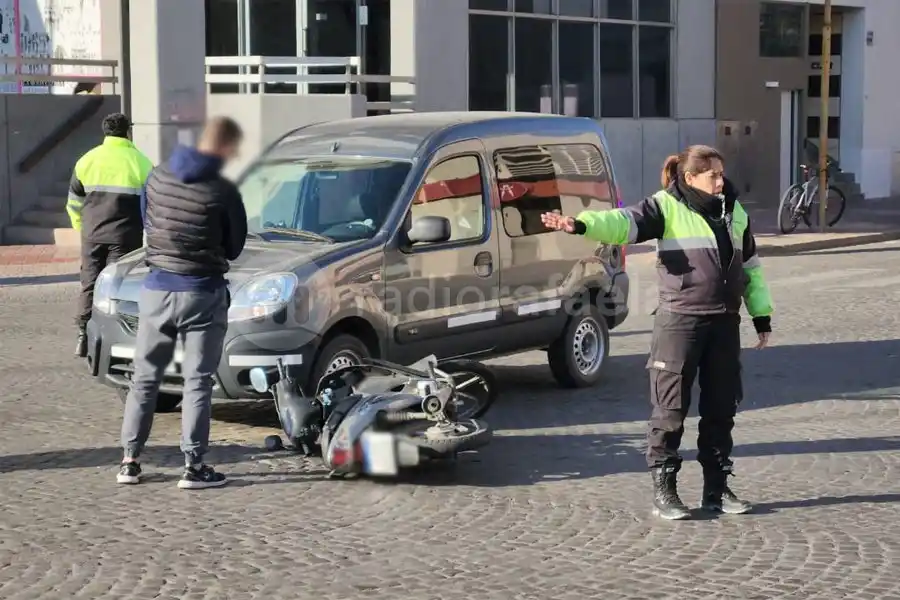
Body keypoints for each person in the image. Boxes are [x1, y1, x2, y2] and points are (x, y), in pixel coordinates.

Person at [540, 145, 774, 521]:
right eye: (712, 174)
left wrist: (761, 315)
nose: (720, 180)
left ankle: (717, 489)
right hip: (680, 321)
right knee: (670, 410)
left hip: (724, 322)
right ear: (689, 177)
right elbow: (623, 222)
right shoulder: (665, 206)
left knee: (721, 408)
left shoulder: (735, 211)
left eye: (721, 172)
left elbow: (751, 267)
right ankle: (666, 490)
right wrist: (581, 224)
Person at [117, 116, 247, 489]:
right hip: (202, 292)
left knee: (144, 378)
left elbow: (147, 222)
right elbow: (235, 247)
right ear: (223, 148)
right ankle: (193, 466)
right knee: (197, 382)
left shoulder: (157, 176)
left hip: (156, 289)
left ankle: (130, 460)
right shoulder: (222, 190)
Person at [69, 112, 154, 357]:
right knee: (118, 286)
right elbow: (151, 203)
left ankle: (83, 334)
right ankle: (114, 336)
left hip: (92, 233)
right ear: (128, 132)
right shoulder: (141, 162)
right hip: (125, 236)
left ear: (105, 132)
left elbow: (74, 200)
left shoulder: (87, 160)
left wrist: (81, 226)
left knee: (90, 282)